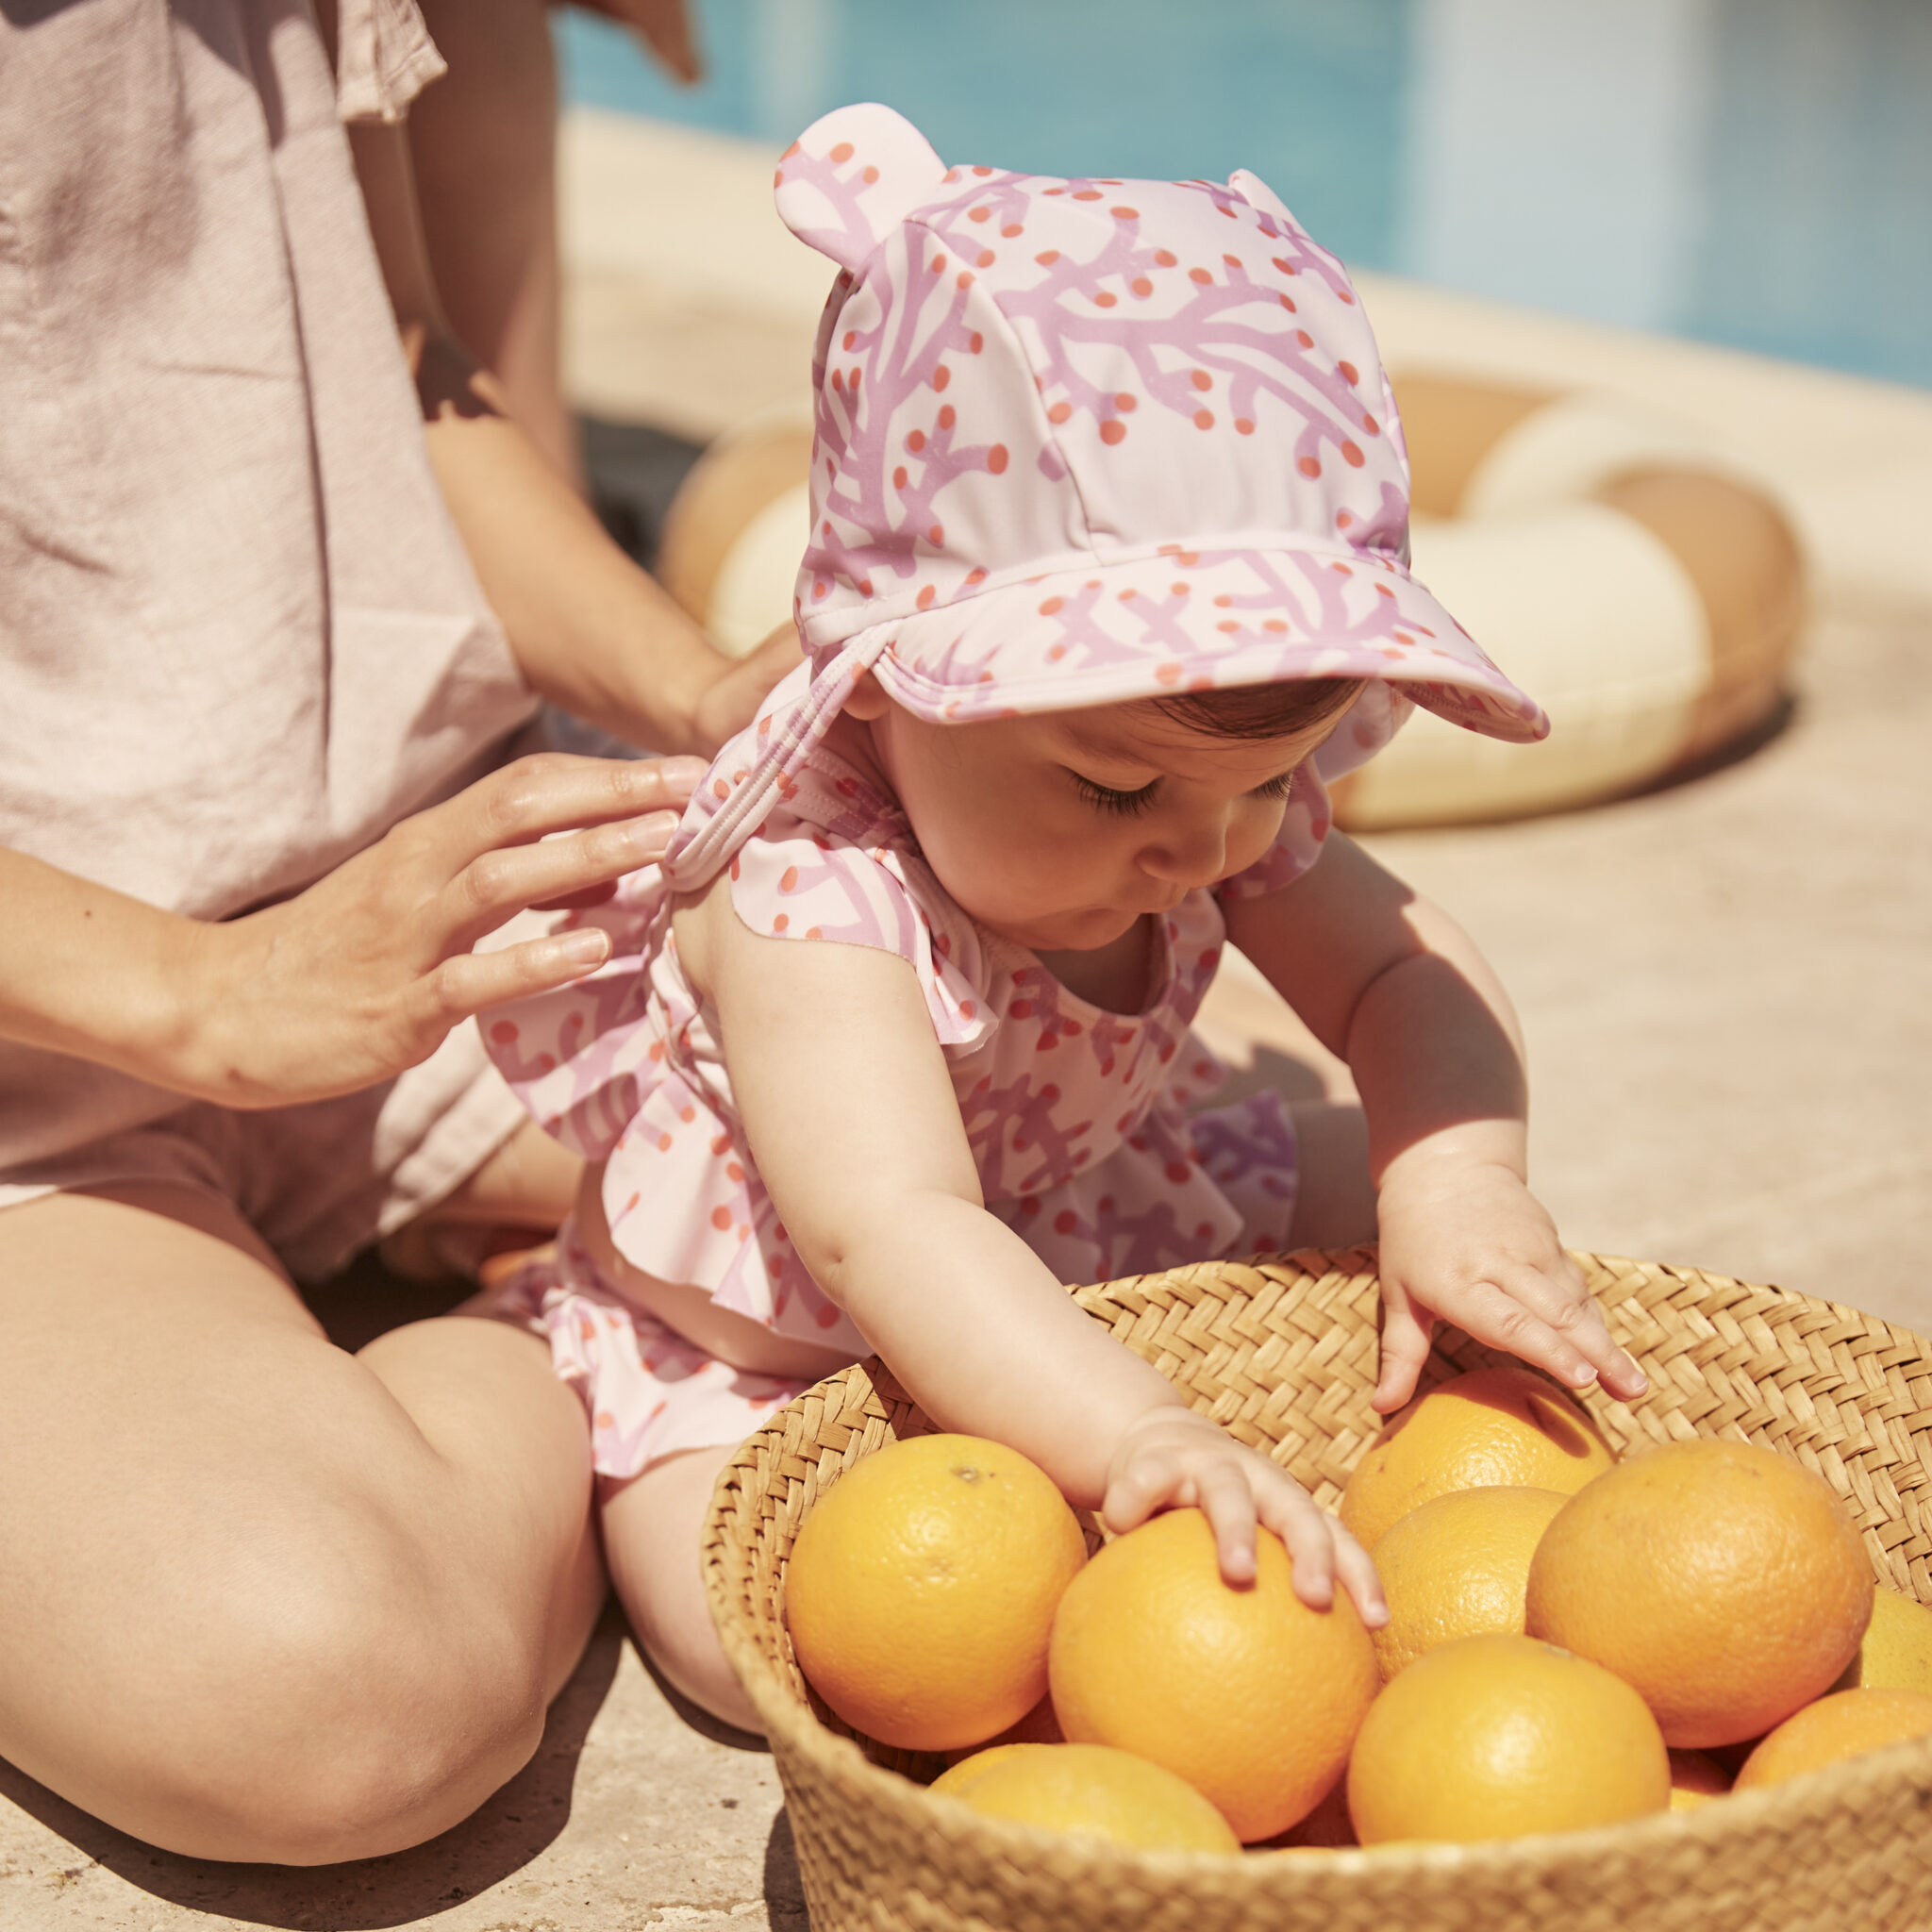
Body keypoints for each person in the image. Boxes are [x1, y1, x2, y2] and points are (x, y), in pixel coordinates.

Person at [475, 104, 1653, 1733]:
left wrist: (1460, 1179)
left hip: (1066, 1223)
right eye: (1113, 796)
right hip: (769, 1354)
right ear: (885, 695)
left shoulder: (1203, 798)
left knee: (1374, 1195)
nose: (1203, 853)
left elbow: (1399, 966)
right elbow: (895, 1228)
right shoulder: (814, 895)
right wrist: (1140, 1438)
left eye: (1260, 792)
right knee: (762, 1635)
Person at [0, 0, 791, 1866]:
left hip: (374, 906)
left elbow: (407, 370)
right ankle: (592, 1332)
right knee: (339, 1701)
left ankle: (566, 1291)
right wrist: (201, 995)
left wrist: (708, 696)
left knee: (1073, 1121)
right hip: (62, 1066)